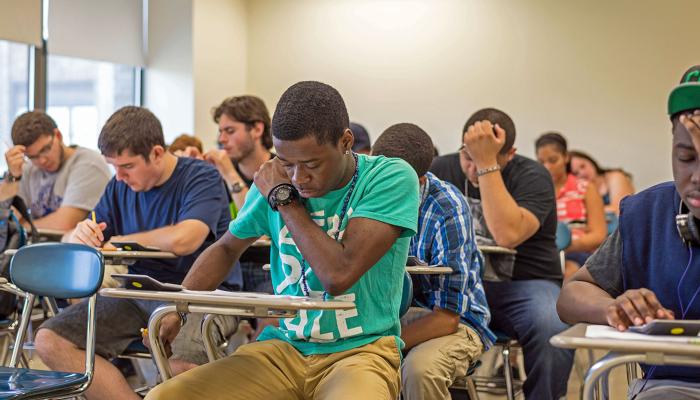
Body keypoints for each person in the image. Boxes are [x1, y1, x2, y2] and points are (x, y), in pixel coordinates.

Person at [145, 81, 420, 400]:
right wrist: (177, 308)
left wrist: (283, 198)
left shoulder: (390, 177)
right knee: (165, 397)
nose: (298, 178)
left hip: (362, 352)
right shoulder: (274, 181)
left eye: (312, 164)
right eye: (287, 164)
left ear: (346, 142)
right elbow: (226, 247)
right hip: (284, 348)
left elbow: (338, 275)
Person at [33, 106, 232, 400]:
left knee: (179, 365)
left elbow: (186, 239)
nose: (119, 176)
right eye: (113, 166)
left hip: (202, 296)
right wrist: (78, 233)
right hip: (140, 293)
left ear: (155, 153)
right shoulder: (118, 186)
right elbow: (73, 233)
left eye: (126, 166)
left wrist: (123, 239)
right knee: (50, 340)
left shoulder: (201, 178)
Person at [558, 66, 700, 399]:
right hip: (671, 388)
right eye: (686, 157)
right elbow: (571, 294)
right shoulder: (647, 213)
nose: (696, 177)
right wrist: (613, 308)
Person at [430, 108, 574, 400]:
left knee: (552, 327)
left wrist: (486, 165)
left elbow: (506, 235)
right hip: (458, 285)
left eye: (487, 159)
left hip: (523, 286)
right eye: (467, 157)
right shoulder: (441, 169)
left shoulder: (533, 176)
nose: (472, 169)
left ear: (510, 154)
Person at [372, 122, 494, 399]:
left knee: (419, 371)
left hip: (456, 321)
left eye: (396, 183)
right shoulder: (369, 194)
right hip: (389, 317)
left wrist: (383, 344)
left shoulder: (446, 207)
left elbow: (447, 319)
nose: (384, 190)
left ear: (421, 178)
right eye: (379, 179)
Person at [0, 111, 111, 230]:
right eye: (33, 157)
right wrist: (13, 176)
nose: (42, 160)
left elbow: (65, 225)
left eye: (45, 149)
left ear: (58, 135)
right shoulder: (28, 168)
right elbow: (4, 221)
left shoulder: (89, 163)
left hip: (74, 247)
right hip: (36, 246)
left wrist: (21, 227)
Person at [535, 132, 607, 279]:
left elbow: (599, 235)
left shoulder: (585, 188)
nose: (547, 167)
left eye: (553, 160)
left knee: (567, 272)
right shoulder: (534, 191)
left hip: (578, 255)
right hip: (543, 256)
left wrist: (563, 245)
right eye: (541, 162)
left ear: (566, 157)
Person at [569, 149, 635, 215]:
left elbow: (620, 209)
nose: (582, 173)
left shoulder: (615, 176)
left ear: (590, 161)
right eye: (576, 173)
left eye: (583, 166)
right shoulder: (578, 191)